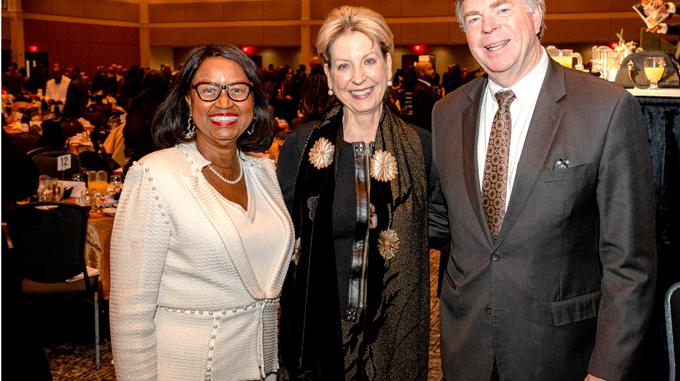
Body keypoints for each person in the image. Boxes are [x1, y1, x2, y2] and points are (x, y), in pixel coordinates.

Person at [429, 0, 657, 380]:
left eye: (502, 9)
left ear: (536, 16)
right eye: (473, 17)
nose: (488, 27)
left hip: (562, 354)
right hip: (465, 349)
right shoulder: (447, 113)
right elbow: (441, 218)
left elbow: (630, 263)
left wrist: (605, 372)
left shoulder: (606, 108)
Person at [110, 42, 294, 381]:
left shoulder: (263, 171)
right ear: (187, 100)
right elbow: (129, 314)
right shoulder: (154, 176)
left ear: (254, 100)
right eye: (208, 90)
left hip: (261, 369)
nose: (224, 102)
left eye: (238, 90)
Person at [276, 6, 431, 380]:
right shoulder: (300, 148)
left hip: (394, 341)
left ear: (389, 65)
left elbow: (449, 231)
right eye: (343, 66)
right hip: (316, 343)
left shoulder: (423, 149)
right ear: (328, 75)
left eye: (369, 61)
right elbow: (277, 242)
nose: (358, 78)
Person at [122, 70, 168, 178]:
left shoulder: (136, 103)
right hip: (166, 162)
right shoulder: (170, 104)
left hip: (140, 161)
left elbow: (129, 137)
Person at [411, 61, 439, 130]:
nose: (433, 71)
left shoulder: (425, 87)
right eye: (429, 69)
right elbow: (424, 115)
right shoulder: (420, 90)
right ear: (421, 72)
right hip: (427, 130)